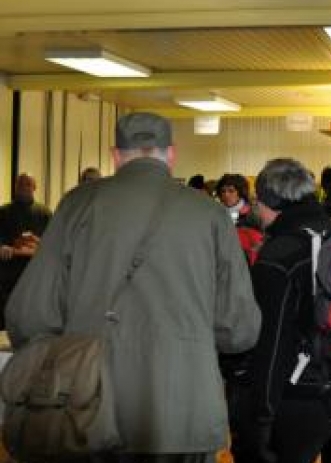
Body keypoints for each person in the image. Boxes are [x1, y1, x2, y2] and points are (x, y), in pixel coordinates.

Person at [5, 112, 261, 462]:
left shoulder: (77, 205)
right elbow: (240, 329)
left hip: (88, 401)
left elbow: (29, 315)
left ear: (115, 155)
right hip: (185, 408)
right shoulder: (211, 214)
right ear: (171, 154)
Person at [234, 158, 331, 463]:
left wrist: (259, 417)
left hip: (308, 398)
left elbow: (273, 342)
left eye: (258, 202)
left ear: (271, 201)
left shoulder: (279, 255)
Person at [0, 174, 52, 330]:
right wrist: (1, 246)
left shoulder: (44, 213)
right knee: (6, 313)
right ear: (15, 187)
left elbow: (53, 239)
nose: (23, 187)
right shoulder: (3, 212)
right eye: (20, 184)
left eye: (28, 184)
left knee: (31, 314)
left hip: (35, 272)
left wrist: (40, 246)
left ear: (34, 187)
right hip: (8, 273)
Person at [216, 173, 263, 265]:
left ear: (240, 192)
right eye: (223, 191)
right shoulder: (216, 213)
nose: (226, 195)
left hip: (249, 263)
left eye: (231, 191)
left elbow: (263, 239)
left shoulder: (253, 213)